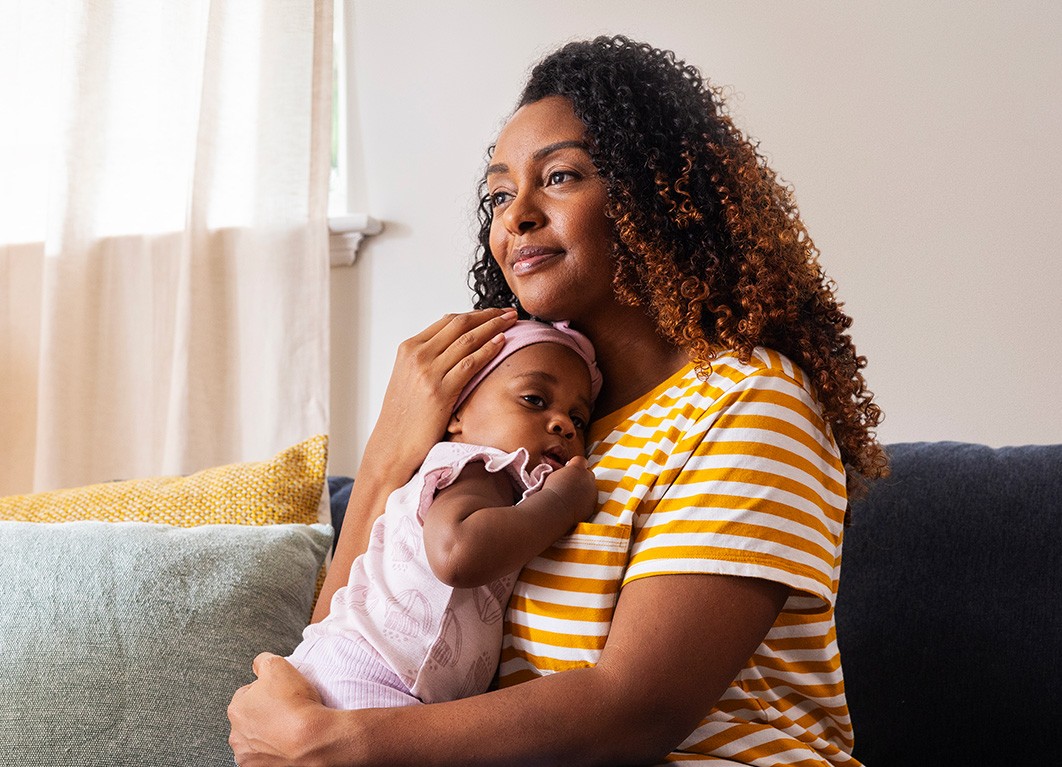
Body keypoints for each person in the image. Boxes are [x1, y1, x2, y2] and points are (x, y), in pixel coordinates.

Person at [229, 35, 888, 766]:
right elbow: (342, 653)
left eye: (562, 177)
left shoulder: (751, 400)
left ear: (655, 192)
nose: (517, 216)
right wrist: (388, 457)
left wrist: (338, 743)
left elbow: (635, 710)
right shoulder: (514, 430)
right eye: (501, 193)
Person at [288, 320, 602, 709]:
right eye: (534, 400)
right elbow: (457, 552)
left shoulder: (510, 490)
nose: (563, 425)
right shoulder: (478, 467)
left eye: (578, 418)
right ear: (457, 416)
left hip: (392, 686)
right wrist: (561, 504)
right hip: (364, 677)